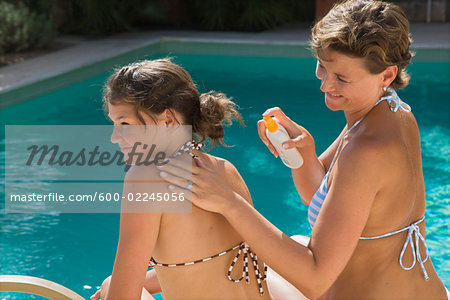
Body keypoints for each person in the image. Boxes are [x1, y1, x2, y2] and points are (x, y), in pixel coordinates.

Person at [158, 1, 448, 299]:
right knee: (281, 249)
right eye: (323, 66)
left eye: (342, 78)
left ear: (386, 75)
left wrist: (229, 201)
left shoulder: (368, 149)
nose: (325, 85)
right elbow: (326, 200)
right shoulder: (390, 112)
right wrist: (304, 155)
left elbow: (314, 278)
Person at [90, 58, 274, 300]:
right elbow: (215, 262)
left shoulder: (147, 176)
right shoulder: (224, 170)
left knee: (110, 285)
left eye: (124, 123)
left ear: (168, 120)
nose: (115, 137)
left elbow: (123, 296)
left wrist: (111, 289)